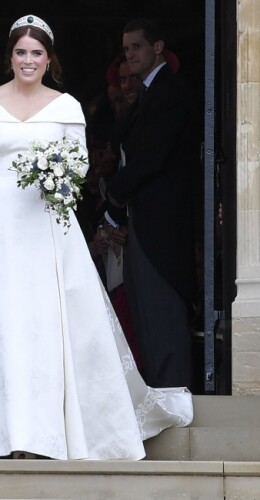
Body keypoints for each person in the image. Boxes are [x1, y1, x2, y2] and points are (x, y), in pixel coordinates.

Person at [0, 15, 193, 461]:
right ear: (9, 56)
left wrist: (57, 177)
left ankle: (43, 434)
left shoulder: (67, 106)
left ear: (48, 58)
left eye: (36, 53)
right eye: (20, 52)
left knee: (45, 327)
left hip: (47, 224)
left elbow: (80, 167)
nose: (27, 60)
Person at [101, 19, 194, 389]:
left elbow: (150, 157)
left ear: (158, 47)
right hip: (143, 221)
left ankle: (174, 399)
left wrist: (113, 194)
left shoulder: (168, 92)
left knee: (162, 312)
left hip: (161, 227)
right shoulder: (144, 95)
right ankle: (161, 396)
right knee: (146, 314)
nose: (130, 55)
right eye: (126, 49)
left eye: (137, 47)